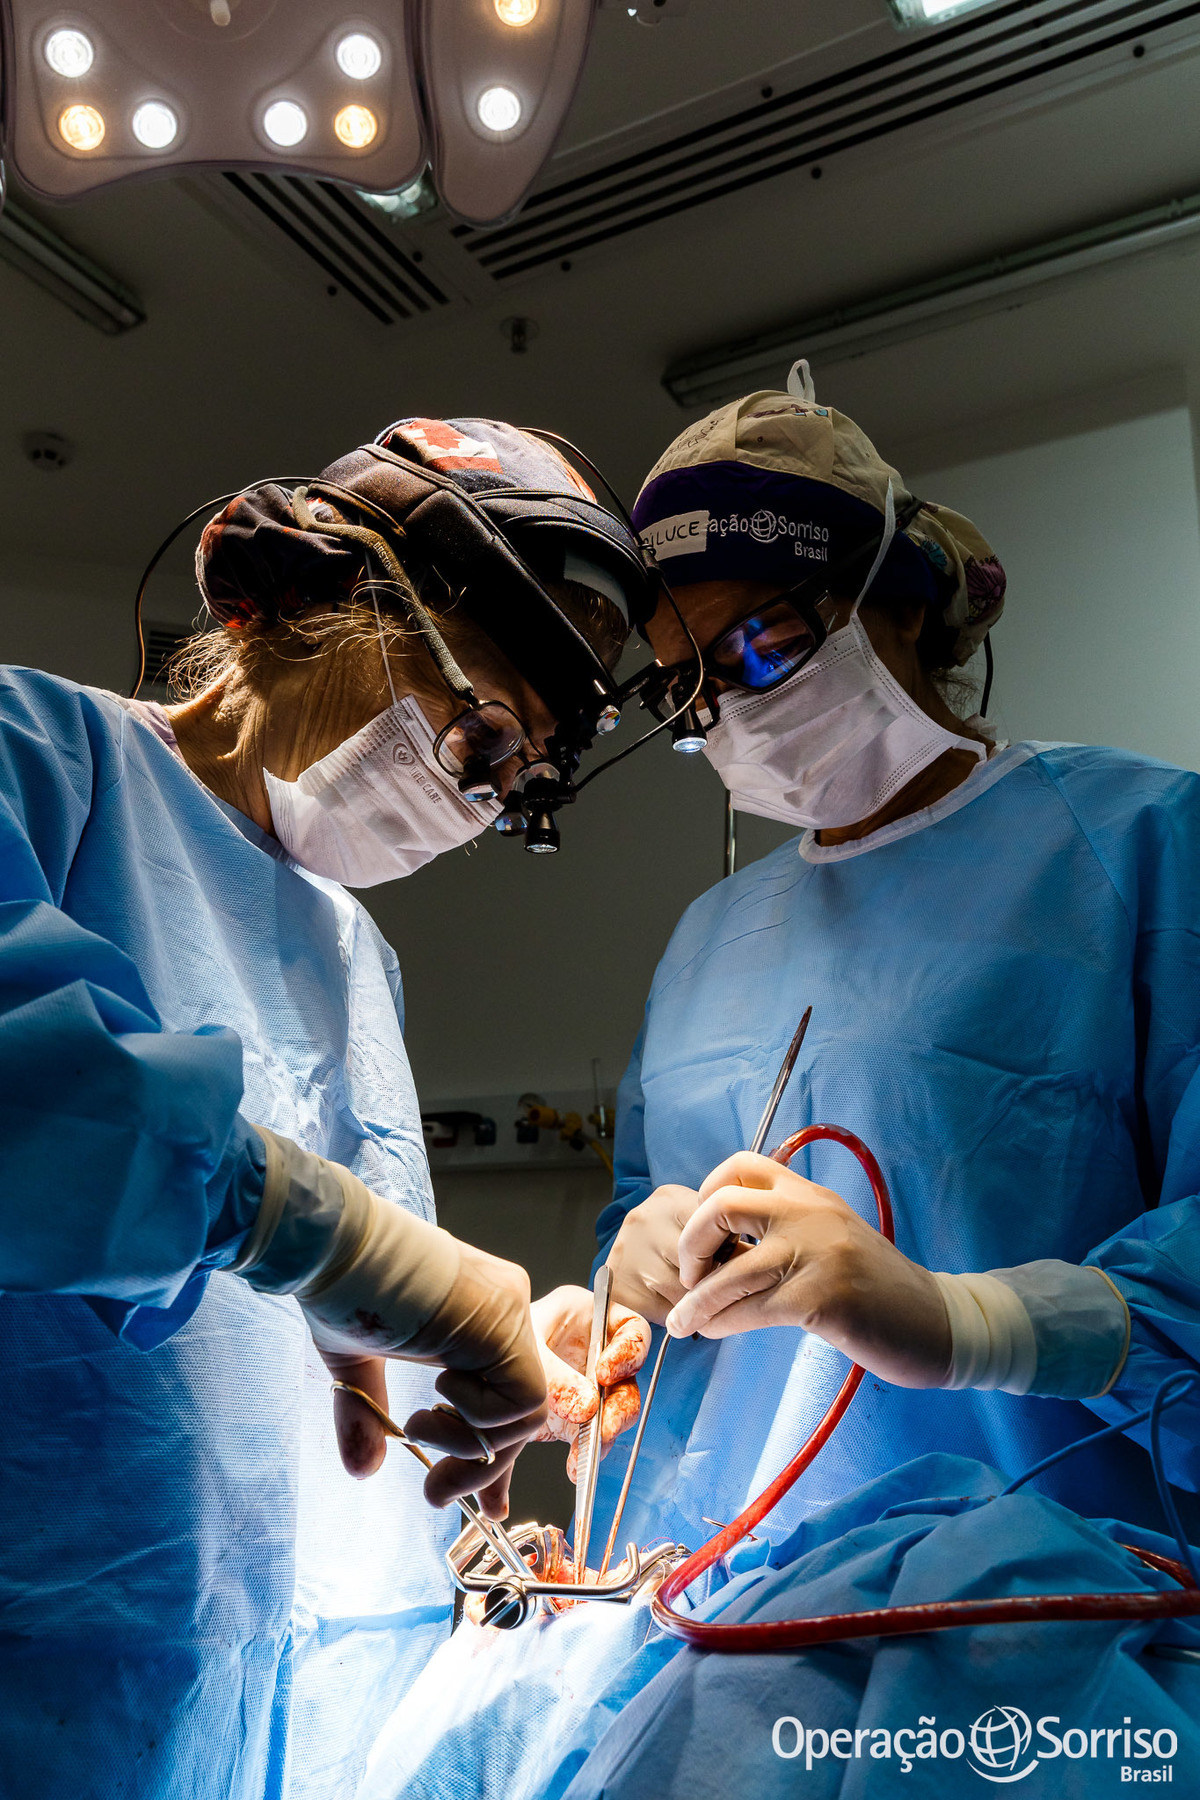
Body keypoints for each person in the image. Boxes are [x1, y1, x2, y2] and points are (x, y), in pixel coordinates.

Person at [0, 414, 654, 1800]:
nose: (470, 805)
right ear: (295, 595)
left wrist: (490, 1360)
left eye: (509, 784)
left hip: (339, 1689)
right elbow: (37, 1095)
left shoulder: (357, 956)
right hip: (64, 1666)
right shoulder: (38, 764)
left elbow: (346, 1326)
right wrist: (357, 1251)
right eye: (474, 731)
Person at [597, 365, 1200, 1557]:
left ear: (901, 604)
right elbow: (647, 1209)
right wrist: (632, 1268)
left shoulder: (1145, 847)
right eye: (689, 689)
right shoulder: (706, 940)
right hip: (732, 1587)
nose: (732, 710)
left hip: (1061, 1594)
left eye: (761, 645)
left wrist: (965, 1320)